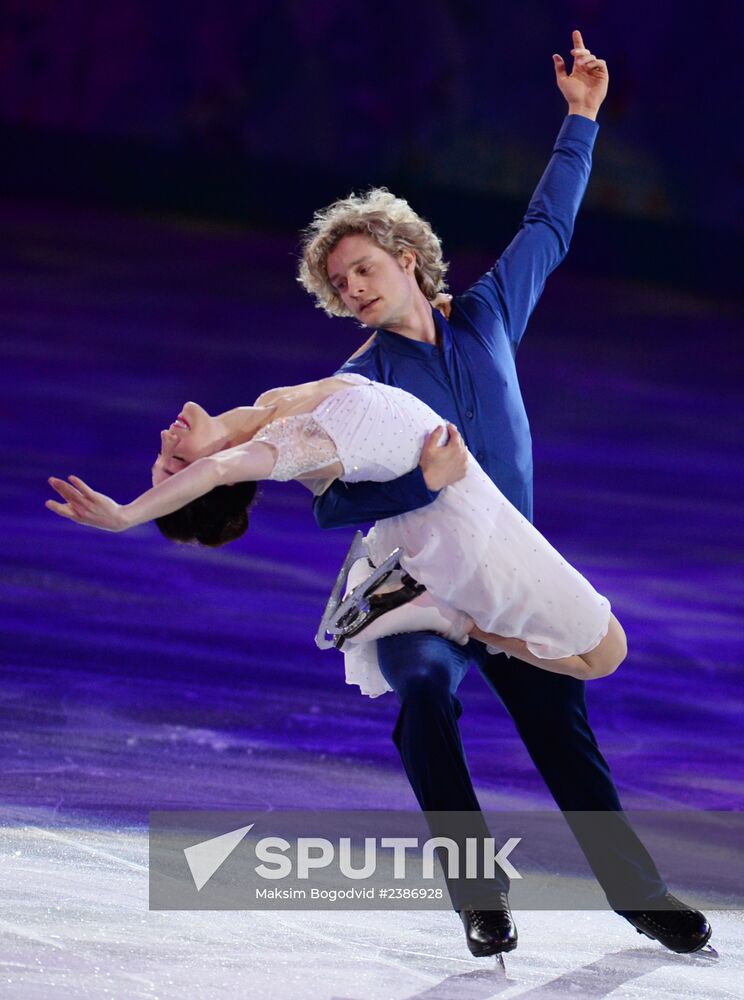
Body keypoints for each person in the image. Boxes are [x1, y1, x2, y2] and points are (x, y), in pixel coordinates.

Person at [293, 29, 712, 958]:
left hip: (507, 573)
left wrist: (581, 118)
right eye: (338, 281)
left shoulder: (485, 319)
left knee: (565, 731)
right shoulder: (361, 383)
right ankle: (478, 896)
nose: (353, 287)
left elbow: (549, 228)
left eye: (364, 267)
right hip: (419, 588)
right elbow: (328, 504)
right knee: (424, 702)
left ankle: (639, 897)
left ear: (408, 257)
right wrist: (415, 480)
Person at [44, 372, 627, 683]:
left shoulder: (274, 403)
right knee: (605, 654)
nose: (167, 438)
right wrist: (125, 516)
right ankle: (456, 619)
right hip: (462, 532)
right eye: (174, 463)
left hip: (459, 503)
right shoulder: (280, 447)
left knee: (600, 654)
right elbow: (221, 464)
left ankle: (449, 615)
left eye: (165, 456)